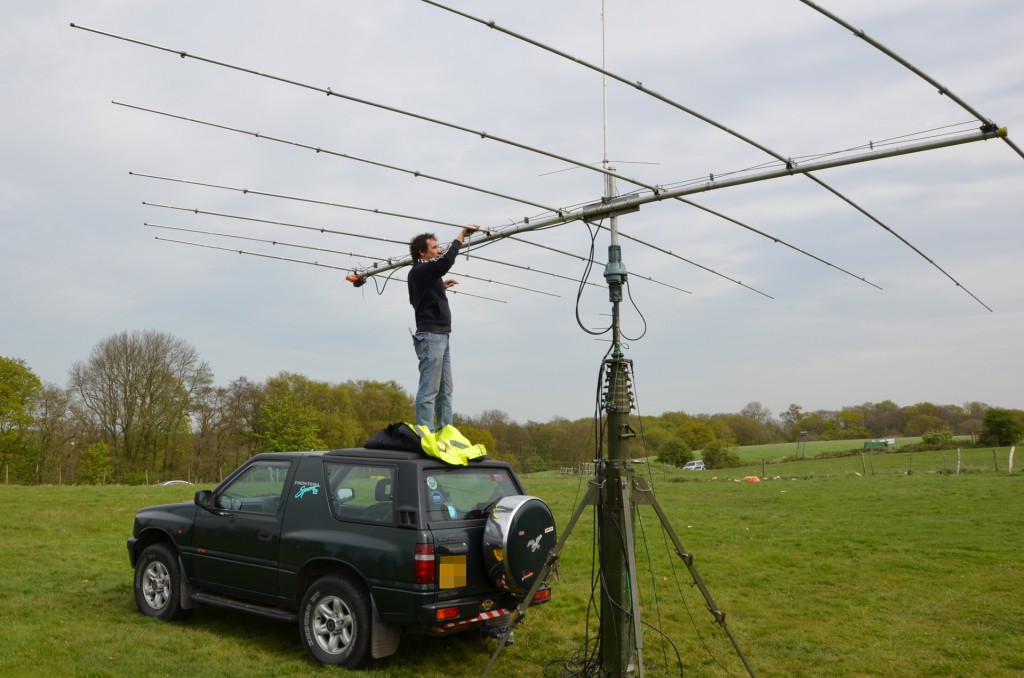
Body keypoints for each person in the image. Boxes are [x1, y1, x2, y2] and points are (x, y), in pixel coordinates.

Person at [407, 225, 478, 431]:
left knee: (445, 390)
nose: (439, 250)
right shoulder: (421, 269)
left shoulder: (423, 275)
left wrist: (440, 287)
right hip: (431, 337)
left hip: (441, 336)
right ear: (423, 252)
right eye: (435, 247)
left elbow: (420, 298)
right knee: (429, 389)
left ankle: (446, 433)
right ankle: (425, 434)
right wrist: (461, 237)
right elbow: (445, 262)